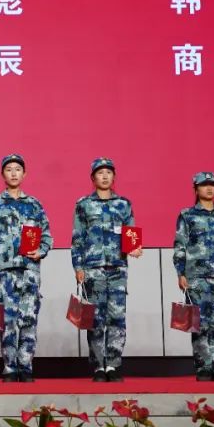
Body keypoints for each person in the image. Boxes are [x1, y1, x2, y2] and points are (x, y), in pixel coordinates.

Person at [0, 153, 52, 382]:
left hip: (30, 270)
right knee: (8, 321)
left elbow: (47, 236)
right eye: (9, 169)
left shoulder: (35, 205)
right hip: (4, 272)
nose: (13, 173)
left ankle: (26, 366)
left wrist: (41, 250)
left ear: (24, 174)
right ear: (3, 174)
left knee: (29, 319)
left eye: (18, 169)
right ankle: (10, 368)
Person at [71, 157, 141, 382]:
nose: (104, 176)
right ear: (93, 178)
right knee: (95, 319)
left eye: (108, 172)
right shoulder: (83, 204)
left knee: (117, 317)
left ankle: (113, 364)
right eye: (100, 173)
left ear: (114, 177)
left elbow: (131, 233)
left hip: (118, 268)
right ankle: (98, 366)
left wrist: (135, 247)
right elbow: (77, 238)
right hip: (92, 269)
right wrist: (78, 266)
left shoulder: (124, 204)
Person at [173, 171, 214, 382]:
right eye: (204, 185)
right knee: (199, 324)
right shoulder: (187, 216)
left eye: (213, 185)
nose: (210, 188)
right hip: (196, 277)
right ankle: (204, 365)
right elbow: (180, 245)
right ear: (196, 189)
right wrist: (180, 272)